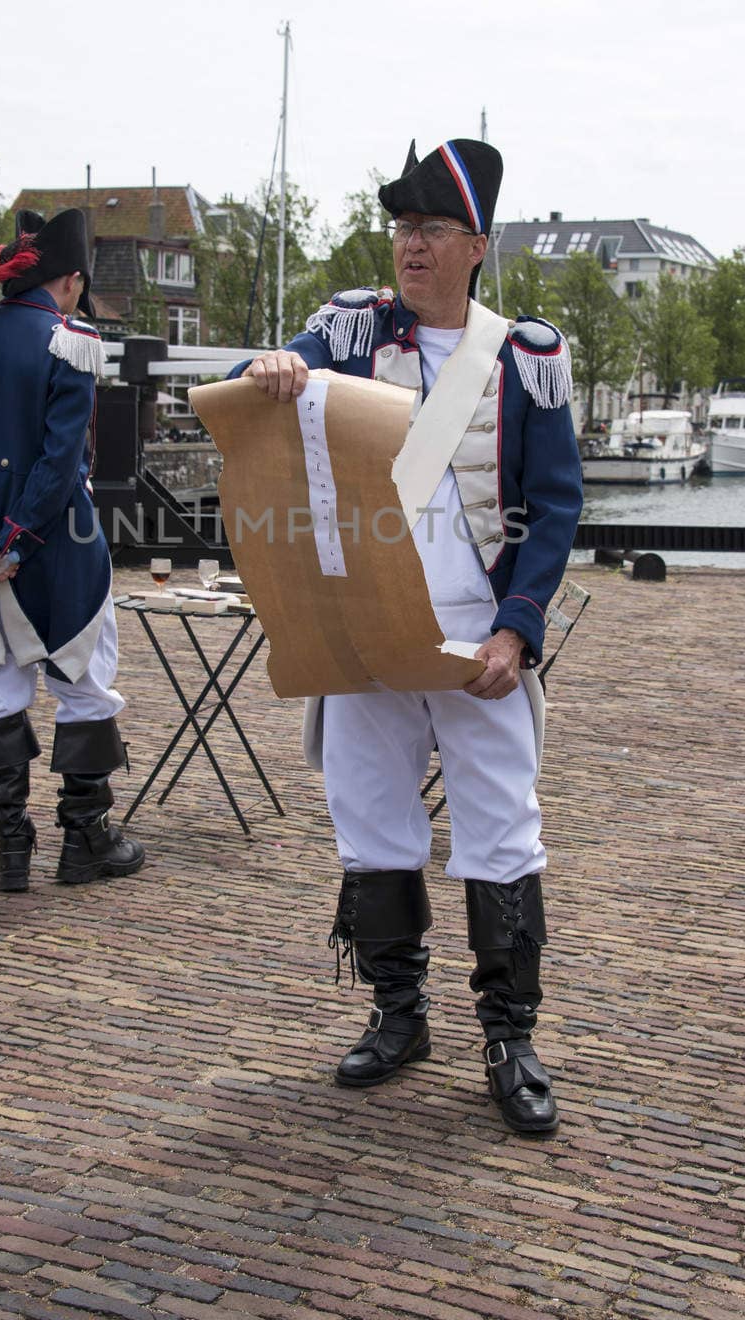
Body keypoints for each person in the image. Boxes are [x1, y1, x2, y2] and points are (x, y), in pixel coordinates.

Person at [234, 138, 582, 1135]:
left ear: (475, 243)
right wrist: (268, 363)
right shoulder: (348, 326)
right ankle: (398, 1014)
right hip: (365, 633)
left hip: (478, 645)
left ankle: (508, 1036)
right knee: (372, 822)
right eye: (400, 228)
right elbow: (253, 385)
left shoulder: (524, 358)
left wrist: (517, 632)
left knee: (500, 835)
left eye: (430, 230)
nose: (409, 247)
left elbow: (551, 510)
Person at [0, 207, 145, 894]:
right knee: (83, 683)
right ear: (70, 280)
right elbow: (58, 458)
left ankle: (10, 850)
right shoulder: (69, 342)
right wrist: (17, 538)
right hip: (58, 546)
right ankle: (86, 843)